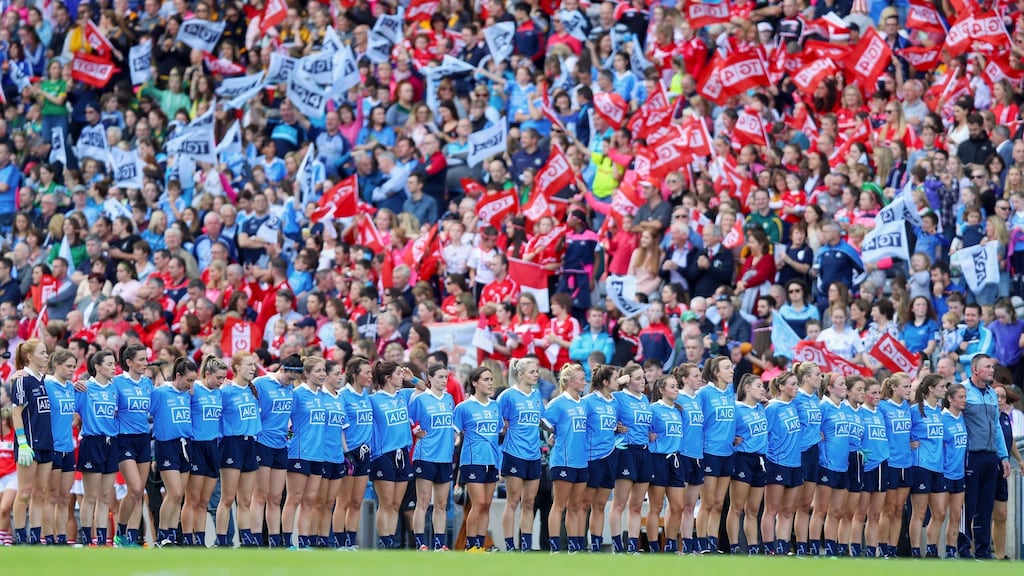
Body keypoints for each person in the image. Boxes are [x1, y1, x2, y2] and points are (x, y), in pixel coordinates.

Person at [250, 354, 301, 548]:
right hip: (262, 443)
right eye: (290, 377)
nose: (292, 382)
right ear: (282, 369)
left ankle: (275, 540)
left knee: (276, 497)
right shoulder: (262, 384)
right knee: (260, 495)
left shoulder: (290, 388)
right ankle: (255, 540)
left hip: (281, 446)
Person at [497, 357, 544, 552]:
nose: (536, 374)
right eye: (532, 371)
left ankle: (526, 545)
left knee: (529, 502)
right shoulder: (508, 396)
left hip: (533, 454)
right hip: (514, 452)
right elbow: (496, 419)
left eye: (536, 371)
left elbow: (542, 421)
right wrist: (503, 427)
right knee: (513, 500)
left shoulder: (536, 395)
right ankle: (509, 545)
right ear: (520, 374)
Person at [452, 366, 501, 552]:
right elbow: (454, 434)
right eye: (486, 379)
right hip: (472, 461)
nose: (490, 383)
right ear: (474, 383)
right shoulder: (464, 407)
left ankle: (481, 546)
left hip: (492, 461)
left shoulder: (495, 406)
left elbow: (498, 432)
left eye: (491, 379)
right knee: (478, 503)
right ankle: (470, 546)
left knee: (486, 505)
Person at [368, 361, 416, 549]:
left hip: (402, 453)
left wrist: (412, 378)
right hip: (383, 454)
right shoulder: (373, 399)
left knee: (396, 503)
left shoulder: (403, 395)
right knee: (386, 503)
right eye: (398, 373)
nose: (401, 377)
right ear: (388, 378)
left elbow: (423, 388)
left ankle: (391, 541)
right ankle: (385, 541)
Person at [150, 357, 197, 547]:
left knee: (179, 496)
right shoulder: (161, 392)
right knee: (175, 492)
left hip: (185, 445)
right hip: (166, 444)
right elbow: (149, 411)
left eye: (194, 381)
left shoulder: (188, 394)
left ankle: (169, 535)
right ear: (178, 376)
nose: (191, 385)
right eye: (189, 380)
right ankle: (162, 536)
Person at [408, 364, 456, 551]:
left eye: (446, 377)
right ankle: (421, 543)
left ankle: (439, 544)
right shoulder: (421, 399)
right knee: (423, 501)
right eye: (440, 377)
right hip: (426, 455)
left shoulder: (449, 399)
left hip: (444, 456)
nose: (444, 381)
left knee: (442, 503)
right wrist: (416, 431)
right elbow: (411, 418)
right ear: (430, 378)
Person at [605, 362, 652, 554]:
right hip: (626, 451)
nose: (643, 381)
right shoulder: (618, 397)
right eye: (638, 378)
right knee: (620, 502)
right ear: (627, 380)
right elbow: (604, 404)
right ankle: (617, 545)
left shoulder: (645, 400)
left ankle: (633, 546)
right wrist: (615, 427)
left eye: (643, 377)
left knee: (637, 504)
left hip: (643, 451)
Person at [281, 357, 327, 550]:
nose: (322, 374)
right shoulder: (297, 394)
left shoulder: (322, 395)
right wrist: (290, 439)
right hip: (299, 453)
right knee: (294, 498)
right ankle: (286, 541)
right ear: (306, 373)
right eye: (318, 370)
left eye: (324, 370)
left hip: (318, 454)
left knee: (310, 500)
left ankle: (304, 542)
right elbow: (285, 419)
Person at [543, 363, 590, 553]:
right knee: (559, 505)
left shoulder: (584, 403)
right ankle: (555, 546)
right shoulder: (558, 402)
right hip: (563, 460)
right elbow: (544, 422)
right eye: (581, 379)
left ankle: (574, 547)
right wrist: (555, 433)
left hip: (581, 460)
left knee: (576, 505)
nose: (584, 382)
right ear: (570, 382)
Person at [216, 353, 261, 548]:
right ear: (236, 367)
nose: (253, 368)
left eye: (254, 365)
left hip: (250, 443)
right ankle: (222, 540)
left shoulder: (253, 391)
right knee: (227, 498)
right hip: (231, 444)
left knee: (245, 499)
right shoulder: (226, 391)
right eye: (249, 365)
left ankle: (246, 540)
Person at [76, 349, 120, 548]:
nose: (114, 368)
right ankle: (87, 539)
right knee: (91, 496)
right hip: (92, 442)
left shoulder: (115, 388)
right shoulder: (86, 388)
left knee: (105, 496)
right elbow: (72, 411)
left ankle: (102, 541)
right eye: (109, 364)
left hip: (111, 443)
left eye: (114, 364)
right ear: (97, 367)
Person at [112, 343, 154, 548]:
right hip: (124, 439)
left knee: (140, 493)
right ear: (128, 362)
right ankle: (120, 532)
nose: (145, 363)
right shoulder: (117, 382)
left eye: (146, 359)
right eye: (141, 359)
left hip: (143, 439)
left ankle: (132, 538)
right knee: (135, 488)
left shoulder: (148, 384)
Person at [10, 339, 51, 545]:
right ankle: (19, 536)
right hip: (29, 444)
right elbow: (16, 413)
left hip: (46, 442)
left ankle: (35, 538)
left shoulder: (45, 379)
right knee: (24, 492)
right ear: (29, 356)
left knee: (40, 492)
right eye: (42, 352)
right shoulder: (22, 380)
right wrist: (22, 442)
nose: (46, 355)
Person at [183, 355, 226, 548]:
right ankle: (187, 539)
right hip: (196, 446)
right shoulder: (194, 389)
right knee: (191, 499)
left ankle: (199, 541)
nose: (221, 381)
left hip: (213, 447)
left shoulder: (219, 393)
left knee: (204, 500)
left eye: (224, 378)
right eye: (218, 377)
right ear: (207, 374)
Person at [695, 355, 735, 554]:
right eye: (727, 367)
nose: (731, 370)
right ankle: (701, 543)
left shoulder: (730, 392)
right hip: (709, 452)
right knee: (708, 502)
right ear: (716, 372)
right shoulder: (704, 393)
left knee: (719, 503)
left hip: (728, 453)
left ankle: (712, 543)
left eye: (731, 367)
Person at [808, 372, 850, 557]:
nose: (845, 387)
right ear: (830, 388)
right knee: (820, 510)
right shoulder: (823, 406)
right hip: (826, 464)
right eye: (841, 384)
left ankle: (831, 549)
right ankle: (814, 548)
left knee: (837, 511)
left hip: (843, 465)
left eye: (845, 384)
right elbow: (811, 429)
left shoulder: (844, 408)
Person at [762, 370, 803, 556]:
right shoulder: (773, 408)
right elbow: (764, 435)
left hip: (795, 463)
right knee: (771, 509)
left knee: (788, 510)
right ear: (781, 387)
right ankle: (769, 548)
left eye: (797, 384)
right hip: (777, 463)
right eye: (792, 384)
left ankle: (783, 547)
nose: (796, 388)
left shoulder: (794, 405)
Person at [727, 373, 767, 556]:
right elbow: (725, 429)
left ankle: (753, 548)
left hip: (760, 460)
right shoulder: (736, 408)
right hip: (742, 459)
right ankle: (734, 546)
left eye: (763, 386)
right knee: (737, 507)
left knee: (753, 509)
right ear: (747, 388)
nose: (762, 389)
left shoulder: (762, 408)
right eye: (758, 386)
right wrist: (734, 439)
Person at [908, 374, 947, 558]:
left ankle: (932, 550)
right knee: (920, 512)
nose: (945, 390)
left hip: (938, 466)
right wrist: (909, 443)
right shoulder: (915, 410)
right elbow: (901, 432)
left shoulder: (940, 411)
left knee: (939, 513)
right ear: (931, 388)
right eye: (942, 386)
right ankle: (916, 551)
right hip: (921, 465)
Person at [336, 358, 373, 550]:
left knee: (357, 501)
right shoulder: (343, 395)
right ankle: (339, 542)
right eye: (366, 372)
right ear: (354, 375)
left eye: (370, 372)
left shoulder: (367, 395)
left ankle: (351, 542)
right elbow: (341, 428)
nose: (370, 376)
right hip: (349, 452)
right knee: (343, 500)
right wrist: (345, 452)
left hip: (365, 453)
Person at [42, 349, 76, 546]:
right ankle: (48, 537)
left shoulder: (71, 387)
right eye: (68, 366)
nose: (72, 370)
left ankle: (61, 537)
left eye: (74, 366)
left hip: (68, 448)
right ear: (57, 365)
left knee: (64, 496)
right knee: (52, 496)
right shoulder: (46, 384)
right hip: (51, 447)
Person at [878, 372, 914, 559]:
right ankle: (882, 548)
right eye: (906, 386)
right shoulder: (883, 407)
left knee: (900, 509)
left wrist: (911, 442)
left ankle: (893, 550)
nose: (909, 390)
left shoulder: (908, 406)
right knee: (888, 508)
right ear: (893, 387)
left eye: (910, 386)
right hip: (890, 463)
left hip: (906, 463)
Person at [857, 378, 890, 558]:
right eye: (873, 393)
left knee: (876, 513)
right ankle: (853, 549)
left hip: (882, 464)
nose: (878, 396)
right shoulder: (860, 413)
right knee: (860, 513)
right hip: (865, 466)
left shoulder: (880, 413)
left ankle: (872, 550)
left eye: (879, 392)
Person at [793, 361, 823, 556]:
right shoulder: (797, 398)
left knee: (805, 504)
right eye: (818, 374)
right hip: (799, 453)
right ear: (806, 378)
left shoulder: (815, 399)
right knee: (791, 505)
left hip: (814, 452)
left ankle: (804, 548)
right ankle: (787, 545)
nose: (821, 378)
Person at [317, 360, 348, 549]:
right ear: (326, 376)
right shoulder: (320, 396)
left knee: (330, 502)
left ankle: (326, 540)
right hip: (322, 455)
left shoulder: (340, 398)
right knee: (318, 502)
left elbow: (342, 429)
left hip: (337, 456)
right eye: (336, 374)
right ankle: (315, 539)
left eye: (340, 373)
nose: (340, 377)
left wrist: (346, 453)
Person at [941, 383, 969, 559]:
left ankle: (951, 551)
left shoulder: (962, 418)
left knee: (956, 516)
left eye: (965, 397)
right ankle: (931, 551)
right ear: (950, 399)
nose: (964, 400)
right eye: (961, 397)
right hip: (944, 473)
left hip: (959, 473)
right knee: (939, 515)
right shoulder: (942, 418)